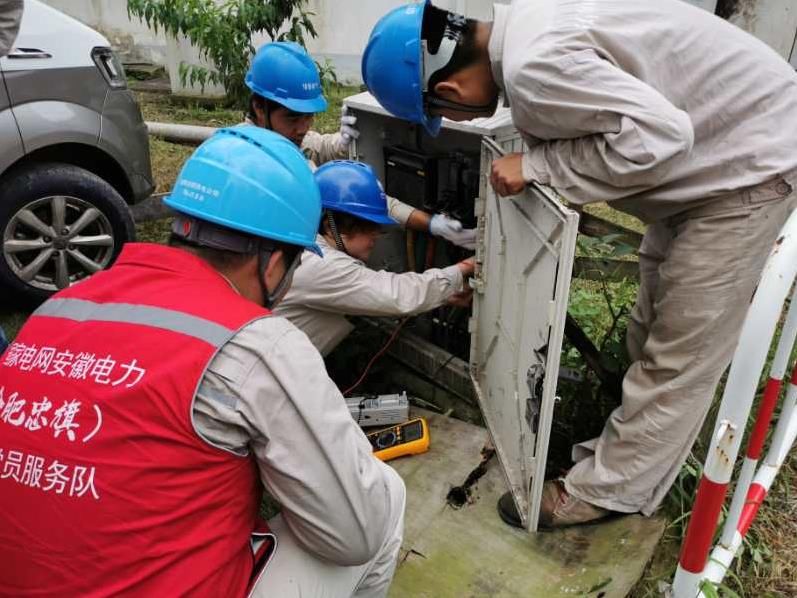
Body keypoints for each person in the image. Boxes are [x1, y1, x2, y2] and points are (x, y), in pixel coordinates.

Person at [361, 0, 797, 528]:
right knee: (650, 326)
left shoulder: (533, 66)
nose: (455, 121)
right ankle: (632, 441)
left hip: (748, 166)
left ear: (448, 91)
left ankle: (608, 492)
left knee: (680, 349)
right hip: (715, 153)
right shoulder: (527, 24)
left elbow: (662, 137)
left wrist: (539, 164)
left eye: (443, 114)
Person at [0, 126, 405, 597]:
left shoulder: (56, 308)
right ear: (273, 264)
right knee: (382, 501)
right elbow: (352, 537)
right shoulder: (257, 343)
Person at [245, 40, 477, 249]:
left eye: (309, 116)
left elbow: (313, 144)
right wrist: (431, 224)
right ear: (259, 107)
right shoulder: (263, 163)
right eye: (294, 118)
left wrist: (342, 143)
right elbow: (354, 199)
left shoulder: (275, 136)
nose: (303, 128)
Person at [276, 159, 474, 357]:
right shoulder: (320, 263)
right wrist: (467, 266)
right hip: (272, 375)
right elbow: (397, 294)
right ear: (330, 226)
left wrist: (444, 290)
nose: (376, 235)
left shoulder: (304, 232)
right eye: (367, 226)